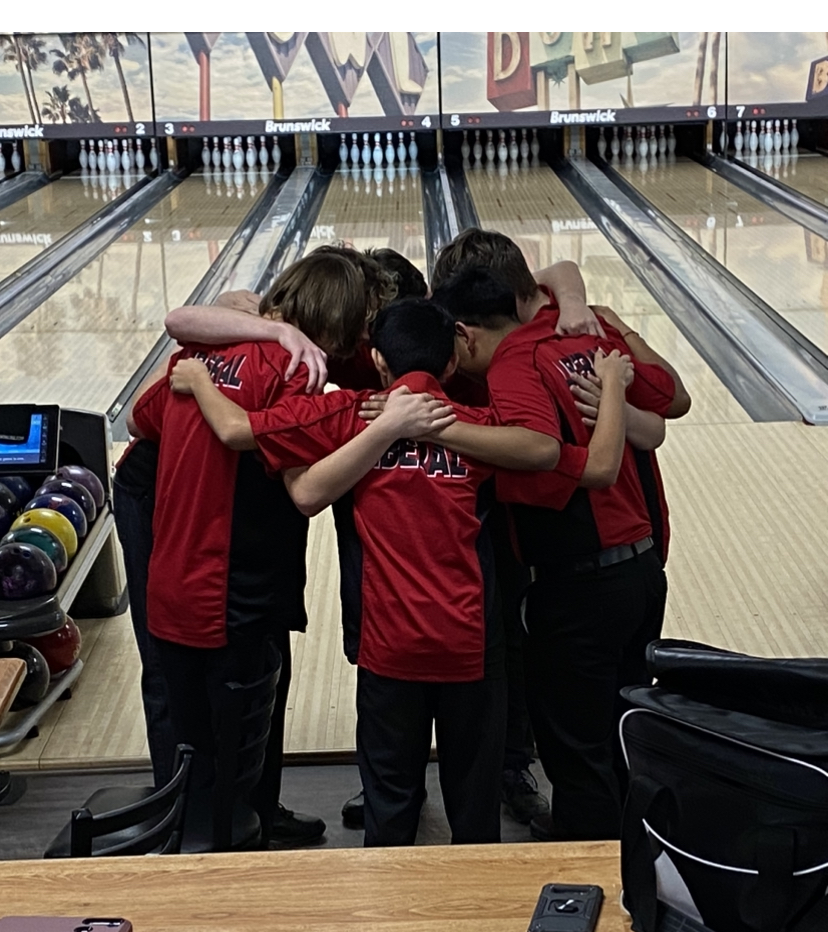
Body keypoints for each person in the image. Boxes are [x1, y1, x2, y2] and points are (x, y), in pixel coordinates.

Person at [170, 296, 583, 847]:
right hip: (470, 647)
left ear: (378, 363)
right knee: (476, 813)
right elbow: (559, 457)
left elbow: (259, 446)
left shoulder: (348, 416)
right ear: (453, 364)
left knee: (388, 810)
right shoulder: (482, 429)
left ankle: (391, 924)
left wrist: (200, 380)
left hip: (389, 650)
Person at [125, 254, 369, 848]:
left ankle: (213, 822)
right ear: (334, 328)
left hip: (177, 577)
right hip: (234, 587)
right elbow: (301, 481)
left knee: (197, 738)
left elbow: (138, 420)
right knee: (239, 729)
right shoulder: (301, 376)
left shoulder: (194, 362)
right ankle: (234, 851)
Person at [432, 266, 682, 843]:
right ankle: (639, 852)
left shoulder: (514, 373)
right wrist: (601, 326)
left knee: (578, 749)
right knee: (622, 729)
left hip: (580, 590)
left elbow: (561, 456)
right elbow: (674, 397)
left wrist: (435, 425)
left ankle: (589, 873)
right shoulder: (579, 335)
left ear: (466, 334)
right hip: (642, 569)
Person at [113, 292, 328, 790]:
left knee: (258, 648)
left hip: (228, 497)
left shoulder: (294, 358)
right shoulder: (237, 342)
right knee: (168, 662)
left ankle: (251, 808)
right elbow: (178, 324)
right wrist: (269, 329)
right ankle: (182, 806)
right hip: (152, 494)